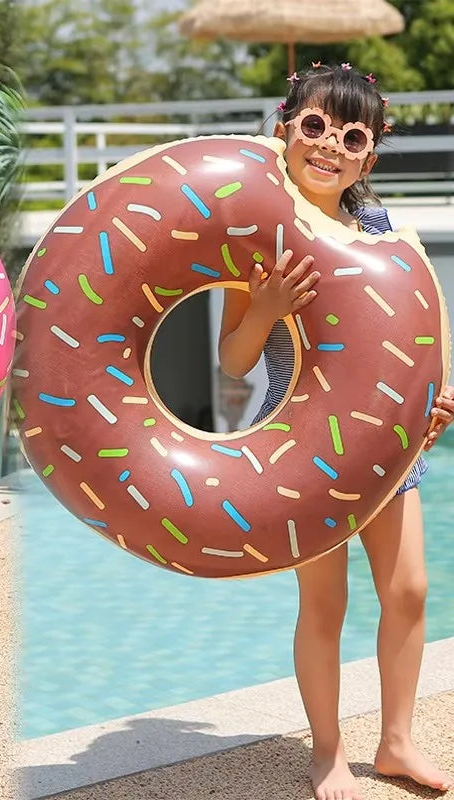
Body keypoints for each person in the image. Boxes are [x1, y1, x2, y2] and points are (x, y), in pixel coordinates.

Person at [219, 64, 454, 800]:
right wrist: (265, 306)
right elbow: (233, 360)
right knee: (325, 603)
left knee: (409, 590)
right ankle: (327, 752)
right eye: (315, 126)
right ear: (285, 126)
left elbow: (412, 336)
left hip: (385, 437)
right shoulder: (261, 233)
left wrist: (436, 400)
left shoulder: (381, 231)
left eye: (351, 135)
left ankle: (396, 743)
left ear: (369, 155)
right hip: (299, 441)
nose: (329, 146)